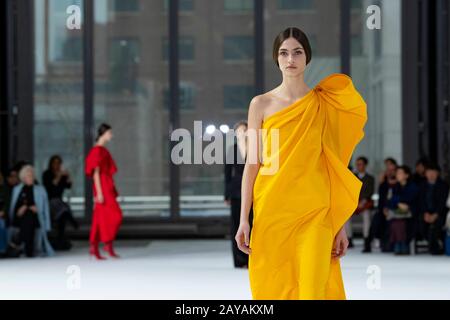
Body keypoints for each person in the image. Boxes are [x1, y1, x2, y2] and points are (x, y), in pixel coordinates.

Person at [235, 27, 367, 300]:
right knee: (276, 286)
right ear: (276, 58)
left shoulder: (323, 103)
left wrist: (339, 223)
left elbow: (335, 165)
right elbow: (252, 164)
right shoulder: (260, 104)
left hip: (315, 210)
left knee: (314, 288)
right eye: (284, 53)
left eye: (297, 52)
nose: (290, 59)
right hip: (272, 207)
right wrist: (243, 219)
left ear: (307, 58)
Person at [85, 123, 123, 259]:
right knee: (116, 215)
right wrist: (99, 193)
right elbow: (95, 173)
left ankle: (96, 247)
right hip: (102, 187)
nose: (111, 135)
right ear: (104, 133)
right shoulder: (97, 151)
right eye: (110, 133)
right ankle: (106, 244)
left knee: (99, 218)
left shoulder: (102, 150)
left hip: (106, 185)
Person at [8, 165, 54, 257]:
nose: (31, 177)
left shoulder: (41, 190)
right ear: (23, 177)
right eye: (28, 175)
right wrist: (19, 210)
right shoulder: (17, 189)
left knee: (29, 215)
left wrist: (37, 209)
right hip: (19, 218)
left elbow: (45, 209)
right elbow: (12, 208)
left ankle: (19, 241)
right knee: (27, 215)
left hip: (36, 217)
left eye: (32, 175)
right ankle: (28, 249)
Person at [225, 120, 253, 268]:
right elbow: (227, 174)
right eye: (239, 131)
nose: (242, 133)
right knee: (236, 225)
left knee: (252, 224)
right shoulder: (232, 150)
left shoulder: (256, 148)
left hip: (253, 191)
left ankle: (251, 259)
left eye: (245, 130)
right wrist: (226, 195)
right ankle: (239, 260)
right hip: (236, 192)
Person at [42, 155, 79, 250]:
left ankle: (61, 240)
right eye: (54, 163)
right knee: (63, 209)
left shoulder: (62, 175)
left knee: (62, 215)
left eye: (58, 163)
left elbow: (68, 186)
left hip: (59, 202)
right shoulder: (47, 174)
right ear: (51, 164)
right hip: (50, 201)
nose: (56, 165)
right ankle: (73, 222)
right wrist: (58, 176)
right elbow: (51, 189)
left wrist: (68, 176)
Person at [384, 165, 418, 255]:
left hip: (410, 212)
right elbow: (390, 200)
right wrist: (399, 203)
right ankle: (401, 244)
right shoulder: (395, 186)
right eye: (397, 173)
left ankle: (399, 244)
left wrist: (398, 201)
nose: (397, 175)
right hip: (397, 212)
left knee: (398, 221)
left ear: (406, 175)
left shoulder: (412, 186)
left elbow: (410, 199)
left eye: (400, 173)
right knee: (397, 221)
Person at [417, 163, 449, 255]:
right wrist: (425, 213)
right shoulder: (422, 185)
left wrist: (435, 214)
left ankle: (435, 247)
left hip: (439, 213)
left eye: (433, 172)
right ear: (425, 173)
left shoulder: (443, 185)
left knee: (438, 224)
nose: (431, 174)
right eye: (429, 172)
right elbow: (420, 201)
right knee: (421, 224)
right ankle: (434, 244)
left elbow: (442, 202)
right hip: (425, 213)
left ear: (438, 173)